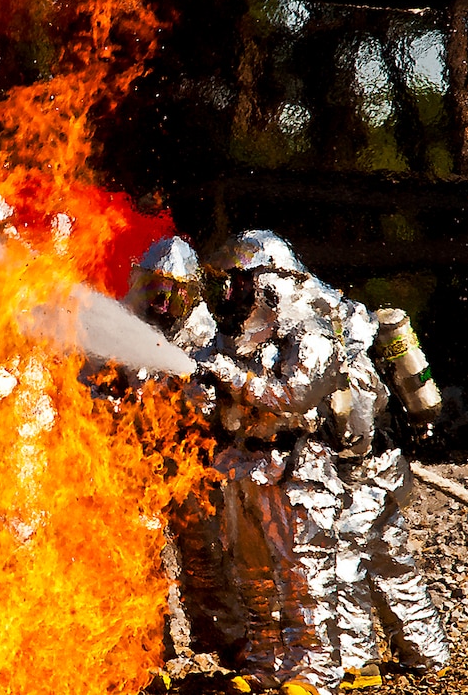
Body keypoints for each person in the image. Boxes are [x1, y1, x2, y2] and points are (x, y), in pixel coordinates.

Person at [200, 230, 347, 695]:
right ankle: (266, 663)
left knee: (302, 574)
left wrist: (229, 376)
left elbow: (296, 397)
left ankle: (313, 674)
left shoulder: (311, 334)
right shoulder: (238, 338)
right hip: (244, 467)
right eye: (232, 284)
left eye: (243, 283)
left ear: (272, 283)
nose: (234, 294)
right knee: (253, 573)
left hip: (295, 469)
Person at [123, 236, 248, 671]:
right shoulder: (121, 322)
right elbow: (90, 380)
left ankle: (228, 642)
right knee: (136, 557)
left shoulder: (207, 338)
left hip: (190, 461)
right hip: (133, 460)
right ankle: (145, 651)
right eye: (153, 289)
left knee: (205, 553)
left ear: (190, 294)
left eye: (170, 293)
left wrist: (194, 394)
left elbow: (222, 406)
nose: (160, 303)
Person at [332, 300, 450, 689]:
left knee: (346, 563)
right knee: (391, 562)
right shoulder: (359, 339)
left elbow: (355, 428)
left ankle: (358, 662)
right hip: (385, 466)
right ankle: (429, 654)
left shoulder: (343, 360)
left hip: (364, 471)